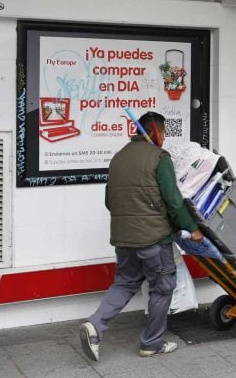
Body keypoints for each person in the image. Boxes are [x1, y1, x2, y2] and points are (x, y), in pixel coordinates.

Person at [79, 111, 204, 361]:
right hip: (153, 240)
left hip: (123, 239)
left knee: (125, 283)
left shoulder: (118, 158)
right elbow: (173, 201)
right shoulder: (159, 158)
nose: (165, 138)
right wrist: (192, 227)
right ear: (156, 132)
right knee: (162, 287)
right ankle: (151, 343)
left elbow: (109, 201)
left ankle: (95, 326)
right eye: (165, 132)